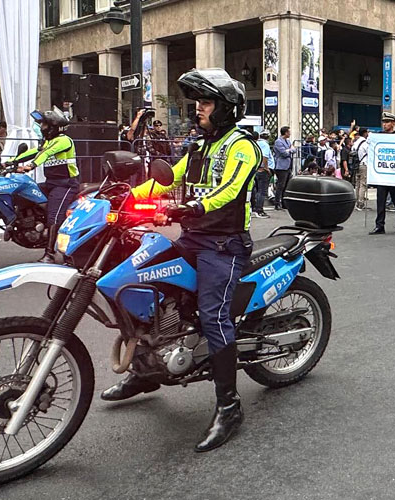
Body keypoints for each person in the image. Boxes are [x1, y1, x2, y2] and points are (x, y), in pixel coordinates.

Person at [101, 68, 260, 452]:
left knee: (214, 316)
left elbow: (228, 191)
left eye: (206, 103)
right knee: (140, 287)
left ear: (226, 108)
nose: (199, 110)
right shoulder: (198, 146)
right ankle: (146, 371)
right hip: (193, 238)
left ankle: (229, 406)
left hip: (224, 245)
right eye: (199, 103)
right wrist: (120, 197)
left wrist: (189, 207)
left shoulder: (243, 146)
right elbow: (166, 179)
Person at [12, 107, 77, 264]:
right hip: (51, 183)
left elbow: (46, 153)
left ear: (53, 127)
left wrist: (31, 166)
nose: (42, 128)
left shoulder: (64, 140)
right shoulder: (48, 141)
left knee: (54, 217)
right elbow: (35, 151)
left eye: (44, 125)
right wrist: (11, 161)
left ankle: (50, 254)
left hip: (65, 185)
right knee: (22, 194)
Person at [370, 112, 395, 234]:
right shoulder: (379, 136)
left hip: (394, 175)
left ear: (393, 123)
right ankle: (379, 225)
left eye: (387, 122)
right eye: (383, 122)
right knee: (380, 200)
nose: (384, 124)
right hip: (382, 174)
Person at [252, 130, 274, 218]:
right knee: (262, 191)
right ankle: (259, 210)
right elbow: (264, 157)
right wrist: (266, 168)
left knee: (258, 190)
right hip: (263, 170)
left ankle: (256, 207)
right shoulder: (265, 144)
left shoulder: (256, 144)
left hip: (257, 169)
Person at [272, 125, 294, 210]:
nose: (290, 133)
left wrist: (289, 150)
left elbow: (294, 149)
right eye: (289, 132)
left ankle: (284, 203)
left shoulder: (288, 141)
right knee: (280, 185)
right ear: (285, 133)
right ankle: (277, 203)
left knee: (286, 185)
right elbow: (283, 153)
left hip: (288, 166)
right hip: (281, 167)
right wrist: (289, 150)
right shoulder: (278, 142)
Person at [352, 128, 370, 210]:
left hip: (356, 164)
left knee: (357, 184)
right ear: (365, 133)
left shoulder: (356, 143)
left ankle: (356, 201)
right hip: (364, 164)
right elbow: (369, 152)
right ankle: (360, 203)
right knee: (363, 184)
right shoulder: (365, 143)